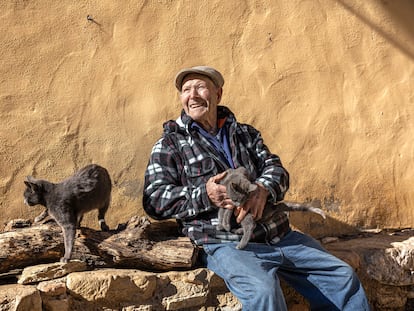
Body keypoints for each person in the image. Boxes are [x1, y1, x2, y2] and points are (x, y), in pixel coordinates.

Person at [143, 66, 370, 310]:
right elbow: (154, 200)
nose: (193, 95)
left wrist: (263, 188)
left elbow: (277, 170)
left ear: (218, 94)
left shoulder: (245, 134)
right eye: (186, 90)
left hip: (279, 235)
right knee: (264, 293)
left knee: (342, 277)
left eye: (200, 87)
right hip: (225, 242)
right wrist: (205, 195)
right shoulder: (170, 143)